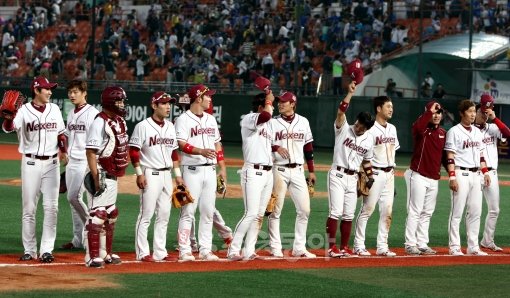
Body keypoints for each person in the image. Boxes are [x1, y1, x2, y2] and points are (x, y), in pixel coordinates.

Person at [2, 77, 66, 263]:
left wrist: (64, 150)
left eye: (50, 89)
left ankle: (47, 250)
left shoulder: (54, 109)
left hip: (52, 164)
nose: (50, 92)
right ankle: (29, 250)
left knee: (51, 208)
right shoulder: (23, 111)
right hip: (30, 163)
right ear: (37, 90)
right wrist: (8, 118)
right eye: (47, 89)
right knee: (29, 208)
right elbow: (8, 128)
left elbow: (60, 134)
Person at [174, 84, 227, 262]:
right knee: (188, 212)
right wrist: (200, 151)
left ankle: (205, 250)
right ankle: (184, 250)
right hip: (192, 170)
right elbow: (181, 144)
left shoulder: (211, 119)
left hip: (210, 171)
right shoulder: (183, 119)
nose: (210, 99)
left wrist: (222, 167)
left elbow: (217, 144)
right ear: (198, 98)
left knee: (207, 211)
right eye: (208, 96)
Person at [129, 91, 183, 262]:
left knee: (164, 214)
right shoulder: (142, 126)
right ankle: (142, 252)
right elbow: (134, 152)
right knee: (146, 214)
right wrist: (139, 174)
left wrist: (178, 176)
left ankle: (160, 251)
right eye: (164, 103)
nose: (168, 106)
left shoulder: (170, 126)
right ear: (154, 106)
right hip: (149, 173)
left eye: (169, 103)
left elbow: (174, 152)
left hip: (167, 175)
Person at [326, 81, 375, 258]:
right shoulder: (343, 129)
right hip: (337, 174)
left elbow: (367, 162)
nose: (359, 126)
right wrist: (350, 93)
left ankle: (345, 247)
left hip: (353, 178)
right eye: (359, 122)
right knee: (335, 212)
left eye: (363, 125)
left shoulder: (369, 140)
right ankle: (331, 248)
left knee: (348, 215)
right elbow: (341, 111)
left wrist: (370, 177)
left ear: (368, 128)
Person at [267, 91, 316, 259]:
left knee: (305, 210)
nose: (280, 104)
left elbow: (308, 148)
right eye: (279, 101)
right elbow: (264, 143)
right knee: (276, 210)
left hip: (298, 171)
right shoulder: (272, 122)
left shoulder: (303, 122)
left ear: (293, 104)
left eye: (284, 102)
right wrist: (275, 148)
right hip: (278, 170)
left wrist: (312, 171)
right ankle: (275, 247)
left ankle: (299, 248)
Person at [84, 86, 129, 267]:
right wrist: (96, 177)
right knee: (97, 214)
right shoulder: (99, 122)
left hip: (113, 174)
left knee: (111, 213)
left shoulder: (119, 121)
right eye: (119, 101)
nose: (122, 104)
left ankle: (105, 253)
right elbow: (91, 152)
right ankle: (91, 256)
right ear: (110, 102)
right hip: (101, 172)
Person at [228, 91, 275, 261]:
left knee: (259, 214)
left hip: (268, 173)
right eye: (270, 105)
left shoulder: (269, 124)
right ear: (262, 107)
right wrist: (269, 100)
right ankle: (233, 250)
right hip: (253, 172)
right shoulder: (249, 118)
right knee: (250, 212)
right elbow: (264, 117)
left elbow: (268, 145)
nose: (273, 108)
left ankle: (249, 250)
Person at [353, 95, 400, 257]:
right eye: (388, 106)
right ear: (379, 108)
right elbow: (363, 155)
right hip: (374, 173)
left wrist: (392, 178)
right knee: (367, 209)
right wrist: (365, 175)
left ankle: (382, 246)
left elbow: (393, 152)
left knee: (387, 210)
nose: (391, 109)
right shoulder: (370, 130)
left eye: (392, 106)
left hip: (389, 174)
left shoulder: (392, 128)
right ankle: (358, 245)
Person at [445, 99, 490, 256]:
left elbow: (481, 155)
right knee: (457, 212)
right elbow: (450, 156)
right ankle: (455, 247)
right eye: (470, 111)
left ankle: (473, 247)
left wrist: (485, 172)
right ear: (462, 113)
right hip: (460, 173)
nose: (473, 114)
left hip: (476, 175)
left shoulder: (478, 132)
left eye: (474, 111)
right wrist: (452, 177)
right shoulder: (454, 131)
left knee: (475, 211)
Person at [403, 101, 446, 255]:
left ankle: (422, 243)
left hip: (434, 178)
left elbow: (445, 158)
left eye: (439, 112)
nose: (436, 115)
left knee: (427, 212)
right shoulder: (421, 129)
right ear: (427, 113)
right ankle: (410, 243)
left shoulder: (442, 133)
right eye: (434, 112)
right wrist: (429, 111)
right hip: (418, 175)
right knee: (415, 211)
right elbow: (417, 127)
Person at [61, 80, 99, 250]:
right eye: (70, 92)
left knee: (73, 197)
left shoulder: (93, 113)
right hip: (71, 160)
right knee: (72, 201)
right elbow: (68, 135)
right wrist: (64, 152)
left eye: (75, 91)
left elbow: (97, 139)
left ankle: (93, 228)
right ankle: (78, 239)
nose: (72, 95)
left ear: (84, 93)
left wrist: (93, 162)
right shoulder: (71, 112)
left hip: (85, 160)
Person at [474, 94, 510, 252]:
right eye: (482, 112)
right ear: (475, 112)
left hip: (492, 173)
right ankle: (471, 243)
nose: (485, 115)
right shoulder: (470, 130)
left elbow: (508, 134)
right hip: (475, 173)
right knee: (473, 210)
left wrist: (495, 119)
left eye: (487, 112)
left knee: (494, 209)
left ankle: (487, 241)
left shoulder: (493, 127)